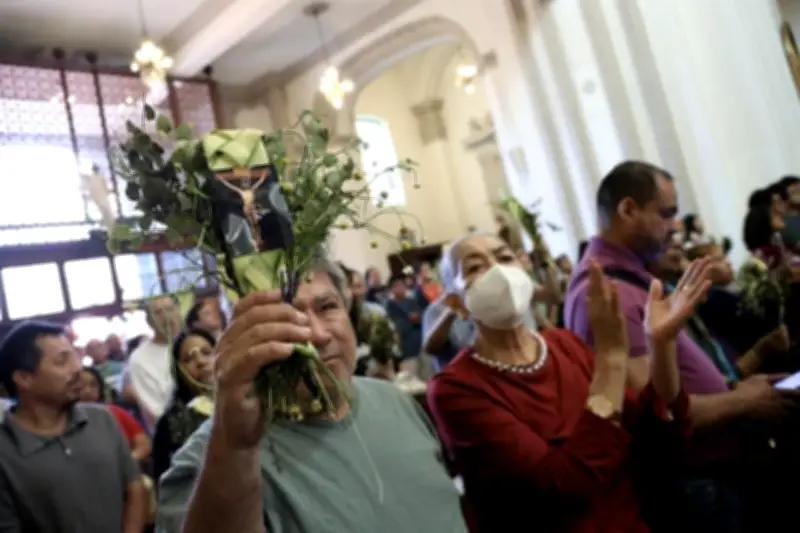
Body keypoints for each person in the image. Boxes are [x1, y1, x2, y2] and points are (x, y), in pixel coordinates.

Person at [156, 253, 467, 533]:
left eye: (328, 307)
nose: (317, 335)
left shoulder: (395, 401)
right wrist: (236, 448)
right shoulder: (210, 463)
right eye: (286, 318)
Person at [564, 160, 794, 531]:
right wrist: (745, 402)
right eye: (666, 213)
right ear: (627, 210)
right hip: (695, 483)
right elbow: (652, 412)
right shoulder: (608, 293)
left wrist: (739, 387)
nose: (675, 227)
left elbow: (674, 378)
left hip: (716, 471)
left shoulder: (632, 279)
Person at [426, 232, 705, 532]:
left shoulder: (564, 344)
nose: (498, 272)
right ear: (457, 304)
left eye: (505, 258)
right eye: (475, 267)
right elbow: (562, 485)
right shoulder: (456, 389)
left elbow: (658, 442)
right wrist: (610, 360)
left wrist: (661, 346)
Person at [0, 321, 147, 532]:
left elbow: (134, 487)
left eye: (75, 356)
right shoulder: (5, 451)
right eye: (62, 361)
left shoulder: (102, 419)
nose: (77, 368)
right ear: (24, 378)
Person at [152, 328, 215, 484]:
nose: (201, 362)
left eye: (206, 352)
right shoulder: (171, 423)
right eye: (188, 359)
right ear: (179, 371)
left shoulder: (252, 399)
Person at [129, 295, 182, 432]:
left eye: (170, 309)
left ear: (179, 312)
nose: (166, 316)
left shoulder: (192, 343)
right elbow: (157, 412)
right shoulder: (139, 359)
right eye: (158, 312)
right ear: (149, 321)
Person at [79, 366, 151, 464]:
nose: (87, 391)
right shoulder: (64, 421)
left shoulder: (116, 412)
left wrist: (126, 464)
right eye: (81, 385)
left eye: (93, 385)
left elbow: (144, 445)